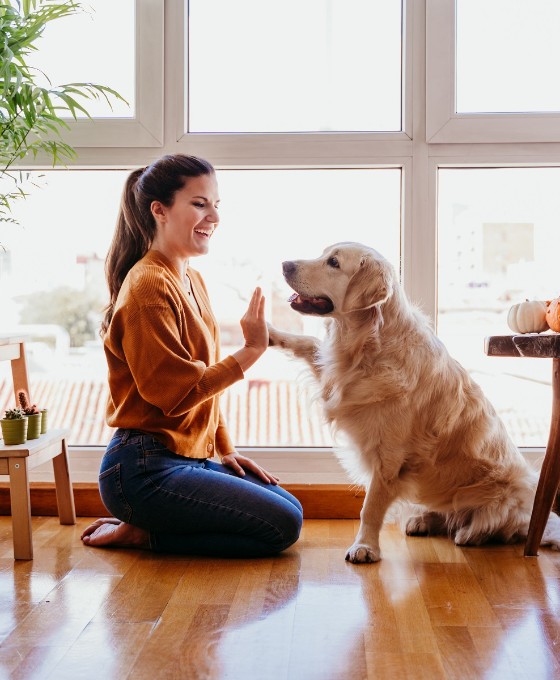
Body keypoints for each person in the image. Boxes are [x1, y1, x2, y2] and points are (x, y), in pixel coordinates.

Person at [81, 154, 303, 557]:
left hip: (187, 457)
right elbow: (176, 394)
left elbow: (204, 387)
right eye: (200, 204)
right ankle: (143, 533)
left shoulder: (190, 278)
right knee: (282, 526)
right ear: (159, 210)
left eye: (216, 205)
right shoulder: (148, 286)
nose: (213, 216)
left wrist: (225, 447)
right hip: (142, 469)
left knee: (291, 508)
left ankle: (147, 527)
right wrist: (252, 350)